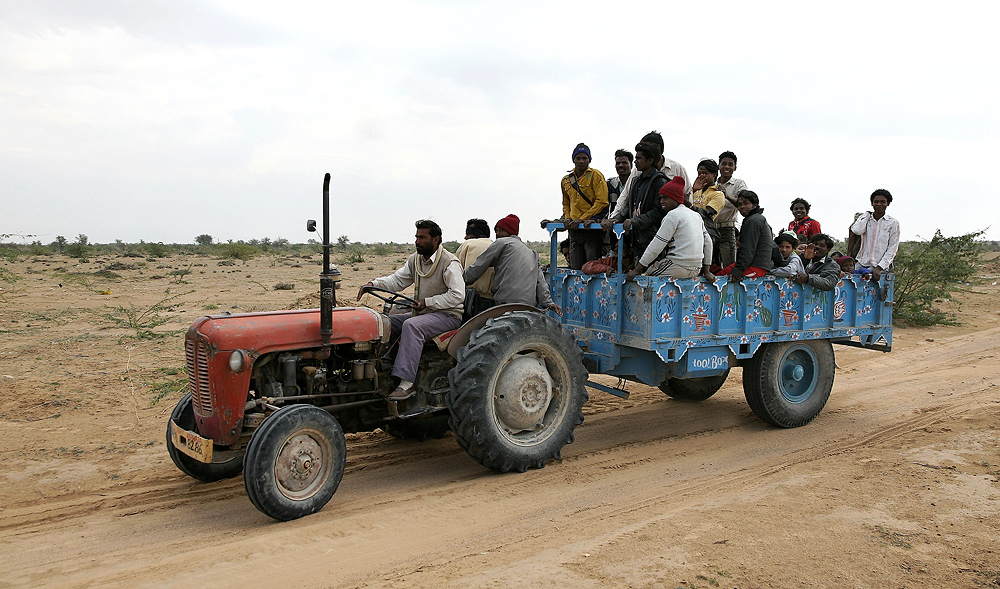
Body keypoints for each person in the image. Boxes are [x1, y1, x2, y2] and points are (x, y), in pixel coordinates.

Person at [357, 220, 464, 401]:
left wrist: (427, 302)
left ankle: (407, 382)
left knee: (411, 325)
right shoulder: (416, 260)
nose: (417, 241)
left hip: (448, 315)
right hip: (424, 314)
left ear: (435, 239)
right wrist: (373, 284)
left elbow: (457, 295)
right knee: (384, 322)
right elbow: (397, 280)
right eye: (416, 237)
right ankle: (382, 368)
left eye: (422, 237)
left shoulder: (449, 262)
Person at [463, 214, 561, 314]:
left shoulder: (502, 243)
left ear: (508, 231)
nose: (497, 234)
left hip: (506, 303)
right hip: (529, 306)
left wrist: (460, 281)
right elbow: (540, 282)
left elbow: (478, 266)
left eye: (499, 230)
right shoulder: (532, 253)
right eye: (496, 231)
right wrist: (548, 302)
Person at [626, 176, 713, 280]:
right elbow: (708, 243)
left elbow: (657, 244)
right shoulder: (696, 215)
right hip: (696, 268)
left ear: (675, 199)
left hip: (678, 266)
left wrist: (637, 270)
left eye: (665, 198)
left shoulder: (673, 215)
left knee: (647, 275)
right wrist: (707, 271)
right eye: (660, 198)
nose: (661, 201)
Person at [601, 140, 668, 268]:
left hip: (653, 240)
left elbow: (657, 212)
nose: (636, 161)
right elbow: (629, 207)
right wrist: (616, 219)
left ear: (650, 160)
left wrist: (635, 221)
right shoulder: (637, 181)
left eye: (639, 158)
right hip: (637, 240)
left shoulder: (660, 181)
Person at [607, 131, 692, 223]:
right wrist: (614, 218)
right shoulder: (637, 175)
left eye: (645, 148)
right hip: (641, 227)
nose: (636, 162)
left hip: (669, 222)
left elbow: (687, 194)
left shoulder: (675, 169)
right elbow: (626, 197)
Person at [560, 142, 608, 269]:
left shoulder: (595, 176)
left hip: (591, 229)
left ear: (589, 160)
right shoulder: (566, 180)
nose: (581, 161)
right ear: (573, 160)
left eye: (584, 158)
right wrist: (567, 217)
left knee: (591, 267)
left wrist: (582, 219)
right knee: (575, 268)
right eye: (578, 158)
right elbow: (566, 203)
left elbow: (602, 201)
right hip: (574, 231)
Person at [717, 190, 774, 281]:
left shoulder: (752, 221)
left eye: (746, 203)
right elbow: (772, 245)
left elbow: (748, 249)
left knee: (718, 279)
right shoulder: (759, 219)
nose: (742, 207)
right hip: (759, 267)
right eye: (739, 204)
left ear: (754, 205)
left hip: (754, 267)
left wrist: (737, 271)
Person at [850, 188, 900, 282]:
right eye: (876, 202)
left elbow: (892, 248)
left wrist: (879, 268)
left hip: (880, 266)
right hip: (862, 263)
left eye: (882, 202)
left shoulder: (893, 223)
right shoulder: (866, 219)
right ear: (872, 203)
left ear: (888, 203)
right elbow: (857, 230)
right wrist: (866, 215)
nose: (879, 204)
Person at [455, 218, 494, 315]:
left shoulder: (468, 244)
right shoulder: (495, 245)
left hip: (470, 299)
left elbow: (455, 273)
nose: (465, 237)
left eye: (468, 234)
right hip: (493, 301)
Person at [715, 151, 747, 266]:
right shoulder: (712, 183)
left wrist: (727, 195)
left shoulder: (739, 184)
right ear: (719, 166)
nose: (726, 167)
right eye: (723, 164)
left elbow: (744, 204)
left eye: (730, 164)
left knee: (729, 265)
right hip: (710, 228)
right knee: (712, 265)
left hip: (727, 229)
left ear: (735, 167)